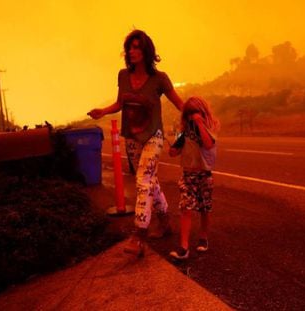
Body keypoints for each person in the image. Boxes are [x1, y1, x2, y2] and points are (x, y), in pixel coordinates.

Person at [88, 29, 183, 257]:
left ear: (146, 50)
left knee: (143, 180)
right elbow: (120, 103)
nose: (132, 51)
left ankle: (138, 235)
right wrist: (103, 111)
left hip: (153, 136)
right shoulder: (123, 76)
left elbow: (180, 104)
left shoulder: (159, 79)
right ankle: (165, 222)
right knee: (151, 181)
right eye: (130, 47)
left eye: (137, 47)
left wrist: (198, 115)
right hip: (132, 138)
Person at [168, 96, 220, 260]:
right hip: (187, 175)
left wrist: (200, 124)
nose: (192, 116)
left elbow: (208, 144)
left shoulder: (210, 128)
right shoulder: (185, 133)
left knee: (204, 208)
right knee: (185, 208)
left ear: (203, 112)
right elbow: (174, 152)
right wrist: (173, 148)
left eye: (195, 112)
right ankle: (184, 247)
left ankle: (203, 237)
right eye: (189, 113)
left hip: (204, 174)